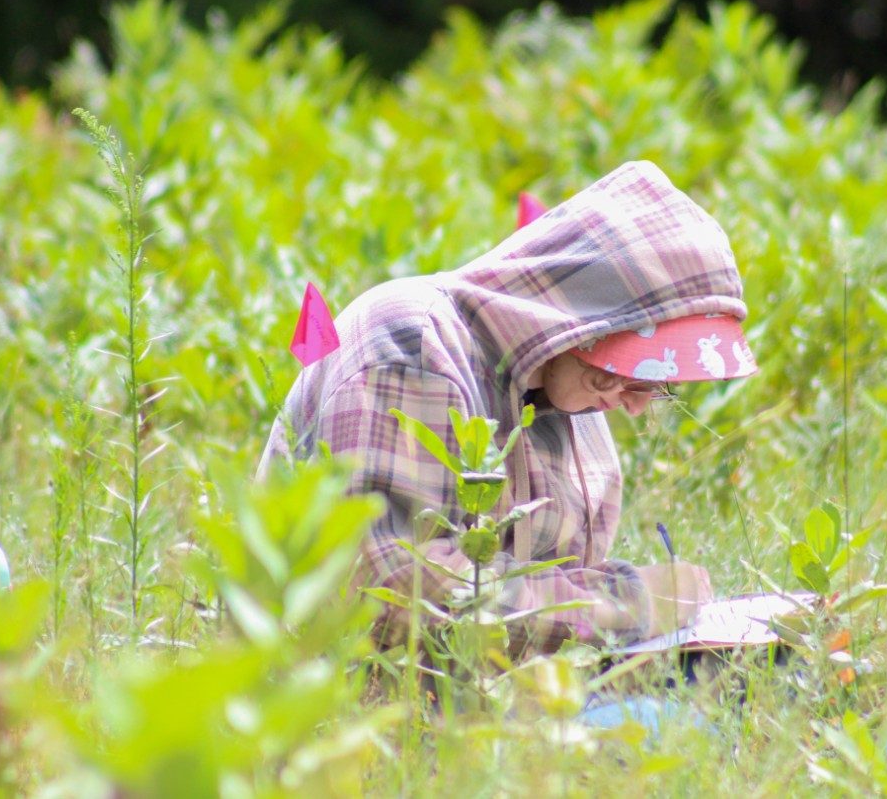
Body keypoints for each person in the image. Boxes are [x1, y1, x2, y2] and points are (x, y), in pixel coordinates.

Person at [258, 160, 758, 655]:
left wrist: (635, 598)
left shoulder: (577, 408)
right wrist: (627, 605)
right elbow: (391, 585)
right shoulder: (414, 342)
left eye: (657, 384)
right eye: (626, 372)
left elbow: (551, 588)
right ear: (578, 321)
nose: (631, 405)